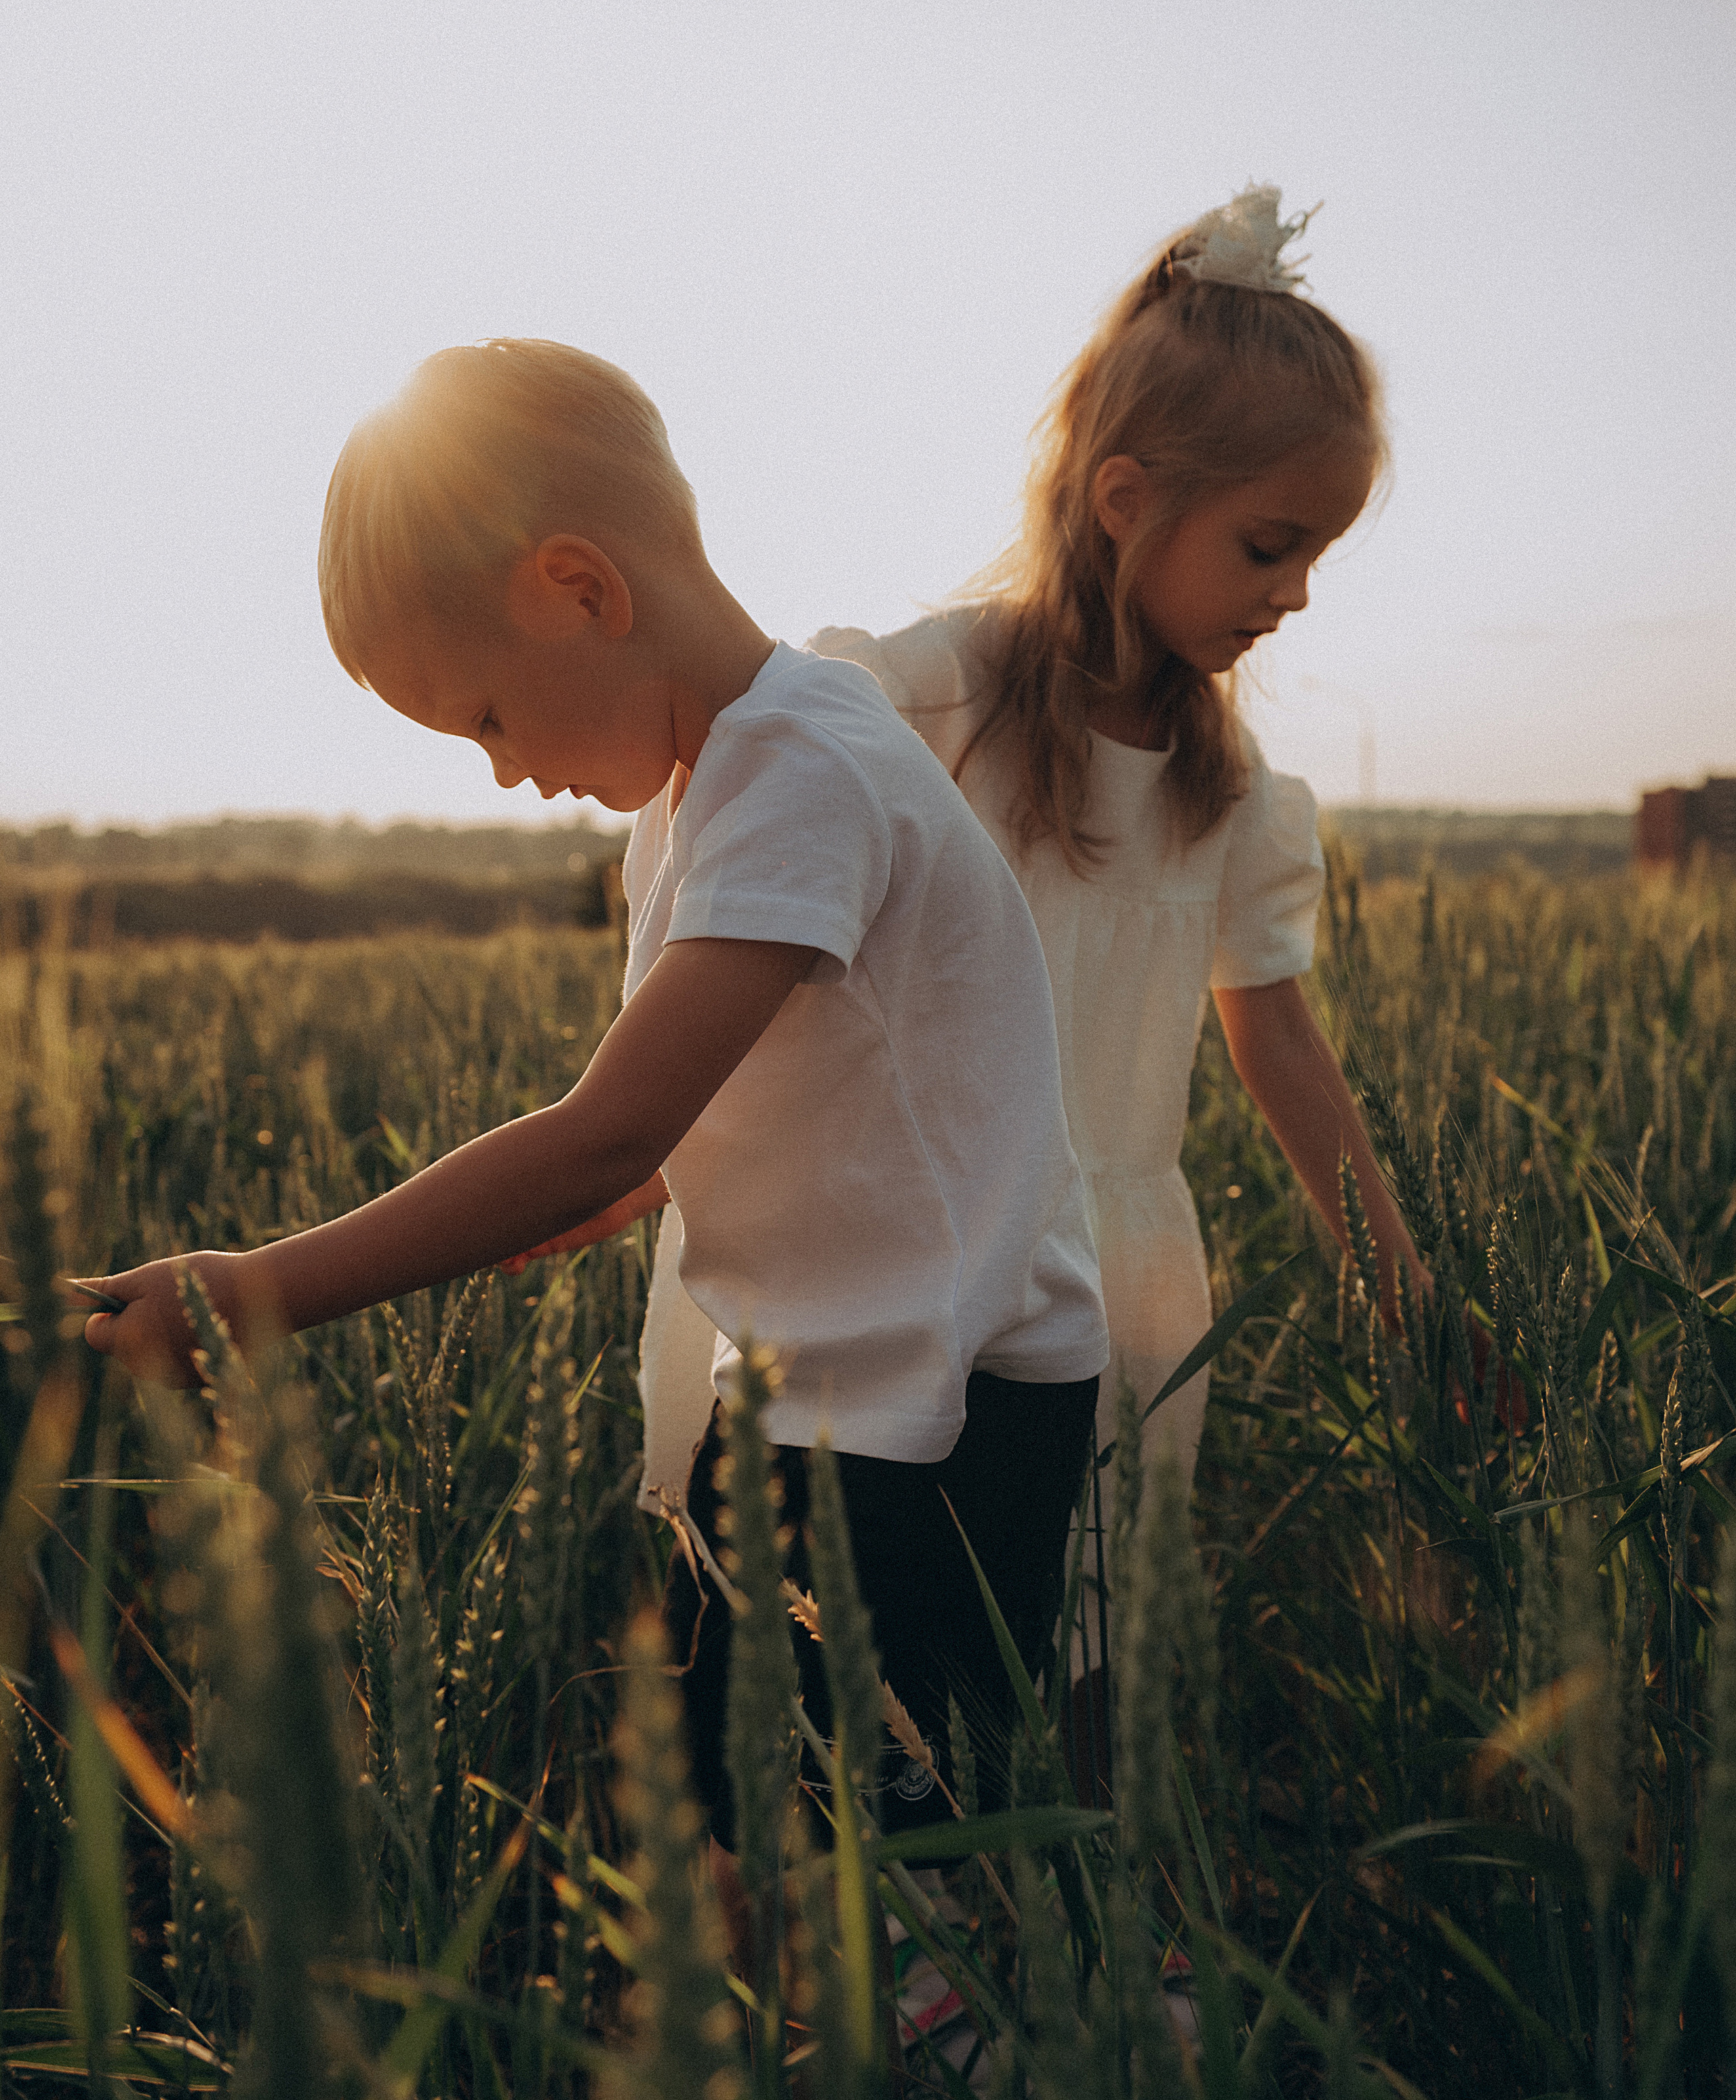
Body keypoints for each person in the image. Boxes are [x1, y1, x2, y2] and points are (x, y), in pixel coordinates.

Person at [77, 337, 1109, 1843]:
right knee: (741, 1796)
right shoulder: (705, 787)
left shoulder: (802, 769)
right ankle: (840, 2044)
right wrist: (607, 1188)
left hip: (935, 1409)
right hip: (819, 1382)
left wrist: (261, 1288)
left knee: (896, 1837)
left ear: (581, 589)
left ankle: (1026, 2045)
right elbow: (677, 1134)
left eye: (489, 715)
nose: (505, 774)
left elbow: (608, 1129)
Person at [637, 186, 1429, 1719]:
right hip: (883, 1256)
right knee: (807, 1679)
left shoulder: (1235, 799)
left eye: (1315, 552)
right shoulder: (903, 709)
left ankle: (1014, 1946)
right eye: (1269, 544)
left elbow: (1278, 1046)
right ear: (1124, 495)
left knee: (1043, 1673)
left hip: (1106, 1282)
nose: (1299, 592)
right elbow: (728, 908)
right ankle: (809, 1950)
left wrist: (1398, 1288)